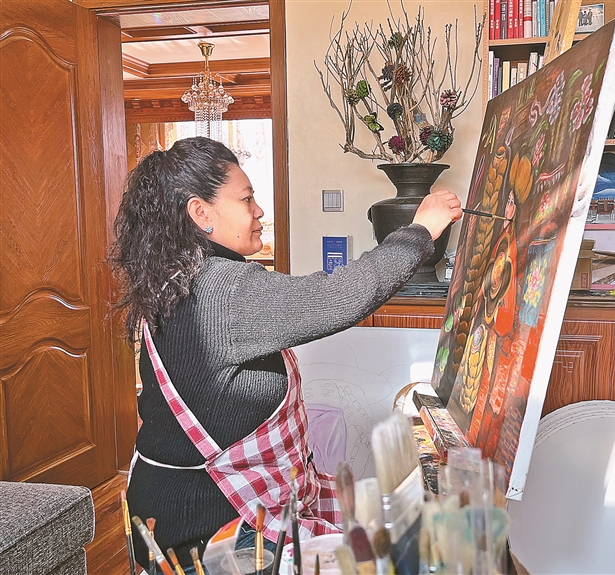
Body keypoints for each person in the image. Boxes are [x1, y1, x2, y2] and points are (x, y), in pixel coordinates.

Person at [110, 137, 462, 572]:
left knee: (392, 524)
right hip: (209, 530)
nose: (259, 210)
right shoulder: (221, 290)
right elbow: (336, 297)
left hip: (196, 510)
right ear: (201, 213)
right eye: (246, 199)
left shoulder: (184, 279)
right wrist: (420, 231)